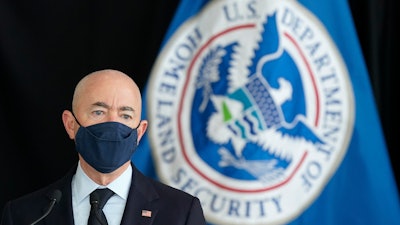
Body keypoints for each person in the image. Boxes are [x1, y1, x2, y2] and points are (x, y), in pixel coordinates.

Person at [1, 69, 207, 225]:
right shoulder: (24, 214)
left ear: (140, 131)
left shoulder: (181, 212)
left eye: (126, 116)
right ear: (70, 124)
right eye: (99, 112)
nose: (113, 124)